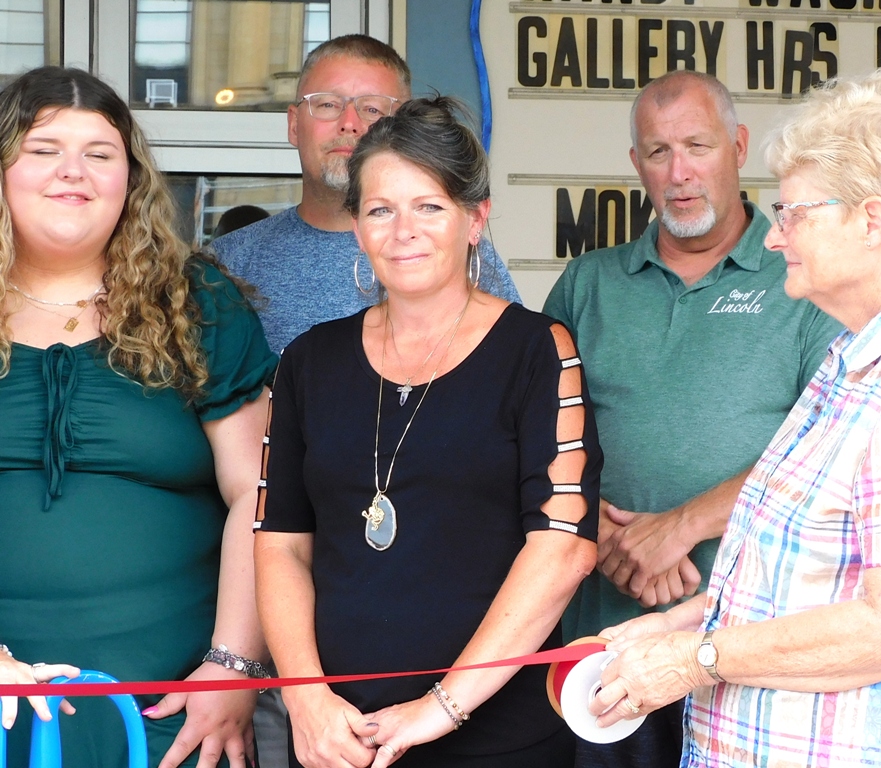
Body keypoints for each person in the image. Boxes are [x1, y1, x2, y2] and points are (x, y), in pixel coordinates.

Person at [589, 69, 881, 768]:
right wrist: (673, 629)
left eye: (794, 214)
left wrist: (695, 659)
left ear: (871, 220)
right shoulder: (856, 358)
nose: (773, 238)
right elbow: (794, 585)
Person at [253, 96, 601, 768]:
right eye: (380, 210)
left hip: (496, 739)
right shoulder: (309, 360)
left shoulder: (537, 350)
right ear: (357, 227)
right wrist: (306, 700)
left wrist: (442, 707)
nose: (403, 230)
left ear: (476, 219)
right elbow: (281, 545)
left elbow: (563, 551)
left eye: (430, 207)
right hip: (337, 738)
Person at [543, 70, 841, 766]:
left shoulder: (803, 280)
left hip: (751, 646)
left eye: (698, 147)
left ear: (737, 147)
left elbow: (827, 453)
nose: (679, 172)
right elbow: (529, 444)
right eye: (658, 151)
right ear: (636, 164)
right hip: (601, 646)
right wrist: (605, 536)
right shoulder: (587, 285)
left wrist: (679, 528)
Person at [0, 67, 277, 768]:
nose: (73, 171)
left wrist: (234, 667)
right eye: (43, 150)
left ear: (131, 179)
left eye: (99, 153)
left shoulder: (197, 301)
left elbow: (261, 491)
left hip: (172, 715)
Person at [211, 35, 520, 353]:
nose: (349, 123)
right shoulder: (227, 263)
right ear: (293, 124)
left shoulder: (457, 254)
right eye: (327, 104)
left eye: (372, 109)